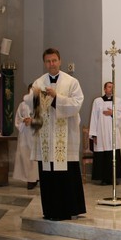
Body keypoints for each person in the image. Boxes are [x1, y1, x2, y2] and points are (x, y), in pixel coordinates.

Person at [24, 48, 86, 221]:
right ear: (44, 63)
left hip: (66, 138)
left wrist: (56, 97)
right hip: (47, 138)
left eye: (54, 60)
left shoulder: (71, 82)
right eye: (48, 61)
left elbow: (77, 104)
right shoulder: (39, 82)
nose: (51, 64)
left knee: (66, 175)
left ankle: (69, 209)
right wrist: (37, 96)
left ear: (60, 61)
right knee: (48, 175)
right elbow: (29, 102)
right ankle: (50, 210)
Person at [89, 82, 121, 185]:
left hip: (113, 132)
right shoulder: (97, 101)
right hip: (101, 132)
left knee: (113, 155)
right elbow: (94, 117)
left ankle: (114, 178)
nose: (111, 89)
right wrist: (94, 134)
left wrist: (112, 113)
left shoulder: (118, 101)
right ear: (104, 89)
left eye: (113, 87)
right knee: (102, 156)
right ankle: (104, 179)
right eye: (109, 87)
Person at [13, 85, 39, 190]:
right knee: (25, 156)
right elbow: (18, 118)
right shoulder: (22, 105)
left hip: (35, 133)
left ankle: (35, 179)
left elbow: (44, 119)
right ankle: (29, 179)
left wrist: (33, 121)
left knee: (35, 157)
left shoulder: (39, 105)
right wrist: (24, 120)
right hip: (24, 133)